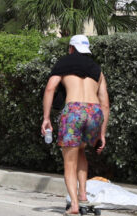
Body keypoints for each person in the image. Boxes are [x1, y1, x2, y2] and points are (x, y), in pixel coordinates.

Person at [41, 34, 110, 215]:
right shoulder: (96, 69)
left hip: (74, 111)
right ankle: (83, 196)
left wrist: (46, 117)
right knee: (80, 151)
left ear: (71, 48)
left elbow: (50, 88)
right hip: (94, 113)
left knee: (69, 161)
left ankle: (74, 206)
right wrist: (102, 133)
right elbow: (105, 104)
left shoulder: (64, 63)